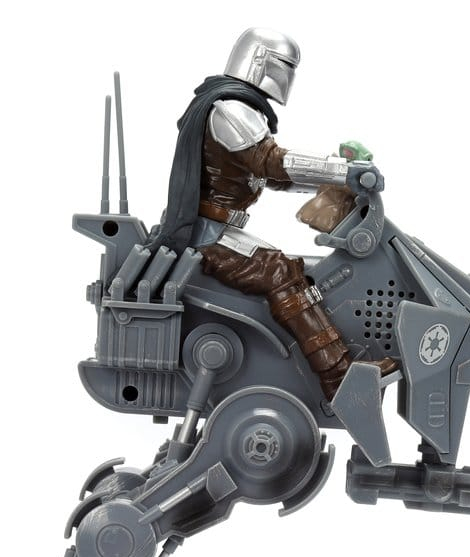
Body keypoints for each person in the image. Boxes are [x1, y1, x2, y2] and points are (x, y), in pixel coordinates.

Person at [153, 27, 398, 401]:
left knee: (299, 269)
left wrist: (337, 176)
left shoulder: (238, 107)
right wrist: (341, 171)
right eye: (283, 65)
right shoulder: (229, 110)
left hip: (219, 230)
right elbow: (271, 162)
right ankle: (338, 376)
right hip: (208, 235)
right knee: (280, 271)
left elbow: (273, 177)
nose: (286, 75)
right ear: (260, 61)